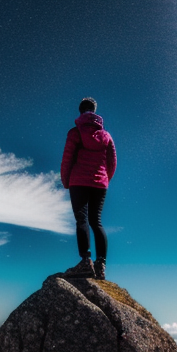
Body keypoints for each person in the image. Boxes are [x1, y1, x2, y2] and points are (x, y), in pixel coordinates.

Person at [61, 97, 117, 280]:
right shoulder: (106, 136)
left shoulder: (75, 132)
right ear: (95, 111)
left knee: (81, 220)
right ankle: (101, 265)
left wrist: (66, 180)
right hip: (100, 184)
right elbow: (112, 163)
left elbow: (67, 159)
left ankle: (86, 261)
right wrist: (104, 179)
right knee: (96, 221)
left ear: (80, 111)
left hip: (78, 181)